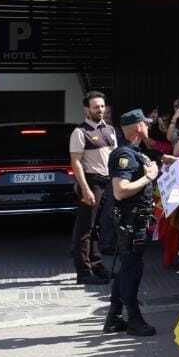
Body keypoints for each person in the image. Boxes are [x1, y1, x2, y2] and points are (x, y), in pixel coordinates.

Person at [103, 110, 161, 337]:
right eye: (145, 124)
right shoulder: (123, 155)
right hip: (130, 222)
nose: (148, 126)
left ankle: (114, 317)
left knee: (126, 268)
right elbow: (120, 190)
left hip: (137, 220)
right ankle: (134, 319)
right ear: (138, 127)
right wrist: (149, 177)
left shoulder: (137, 153)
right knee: (131, 270)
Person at [67, 90, 115, 285]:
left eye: (102, 106)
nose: (100, 110)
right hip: (91, 182)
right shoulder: (80, 132)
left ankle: (96, 265)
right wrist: (85, 189)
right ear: (87, 109)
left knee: (97, 228)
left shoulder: (110, 130)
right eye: (96, 107)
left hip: (107, 183)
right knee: (85, 229)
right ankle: (83, 272)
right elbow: (76, 162)